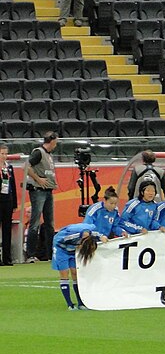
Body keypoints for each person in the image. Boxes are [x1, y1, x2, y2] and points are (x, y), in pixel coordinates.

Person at [52, 222, 107, 309]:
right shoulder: (69, 236)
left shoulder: (91, 233)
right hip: (61, 250)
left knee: (75, 272)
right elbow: (57, 241)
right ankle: (69, 304)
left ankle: (81, 303)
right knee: (64, 272)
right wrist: (75, 246)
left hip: (74, 250)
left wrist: (103, 237)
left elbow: (99, 235)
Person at [25, 131, 59, 262]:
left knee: (49, 223)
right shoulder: (38, 152)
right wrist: (38, 179)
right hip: (38, 190)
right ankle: (31, 254)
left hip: (48, 190)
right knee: (35, 223)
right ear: (52, 141)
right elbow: (26, 166)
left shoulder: (48, 154)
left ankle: (50, 254)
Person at [0, 143, 18, 265]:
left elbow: (13, 185)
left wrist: (14, 203)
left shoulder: (9, 167)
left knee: (7, 229)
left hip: (8, 200)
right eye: (2, 153)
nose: (4, 156)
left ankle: (7, 258)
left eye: (6, 154)